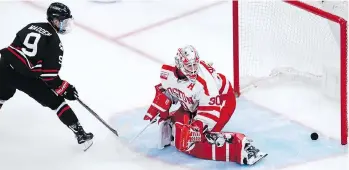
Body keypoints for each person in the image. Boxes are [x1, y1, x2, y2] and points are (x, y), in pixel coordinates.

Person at [144, 45, 267, 165]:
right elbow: (172, 89)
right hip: (194, 103)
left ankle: (241, 148)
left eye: (194, 65)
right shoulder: (167, 72)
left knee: (193, 141)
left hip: (222, 101)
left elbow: (210, 113)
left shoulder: (206, 85)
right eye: (188, 66)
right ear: (179, 64)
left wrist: (195, 128)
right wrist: (163, 101)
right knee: (178, 129)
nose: (192, 69)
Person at [0, 2, 93, 148]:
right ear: (55, 20)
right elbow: (49, 77)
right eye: (63, 22)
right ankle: (81, 134)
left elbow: (14, 48)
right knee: (56, 102)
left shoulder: (31, 26)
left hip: (3, 66)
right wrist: (65, 88)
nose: (65, 25)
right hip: (24, 77)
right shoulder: (54, 42)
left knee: (4, 93)